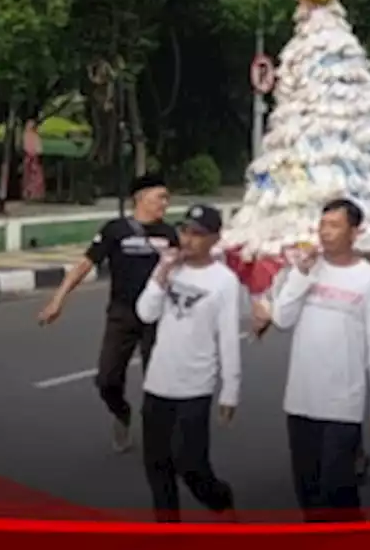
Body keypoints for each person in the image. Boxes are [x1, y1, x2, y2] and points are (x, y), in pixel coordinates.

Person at [261, 199, 370, 522]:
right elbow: (282, 318)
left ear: (355, 232)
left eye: (334, 226)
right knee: (307, 487)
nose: (325, 232)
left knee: (338, 486)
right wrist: (301, 274)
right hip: (301, 398)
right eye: (322, 225)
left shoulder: (369, 279)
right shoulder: (307, 269)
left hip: (341, 401)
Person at [37, 173, 177, 452]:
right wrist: (58, 300)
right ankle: (121, 412)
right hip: (122, 315)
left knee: (159, 380)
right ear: (141, 198)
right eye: (160, 197)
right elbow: (83, 266)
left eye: (166, 198)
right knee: (107, 379)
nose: (165, 203)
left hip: (159, 318)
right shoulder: (115, 230)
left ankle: (160, 434)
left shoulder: (170, 234)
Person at [134, 205, 239, 522]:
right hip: (158, 382)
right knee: (157, 465)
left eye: (197, 234)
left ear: (215, 239)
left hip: (195, 386)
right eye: (184, 232)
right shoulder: (170, 269)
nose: (188, 240)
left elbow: (229, 337)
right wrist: (161, 272)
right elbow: (145, 313)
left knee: (190, 464)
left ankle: (221, 499)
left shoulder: (224, 280)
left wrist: (230, 390)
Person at [22, 119, 45, 202]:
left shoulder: (26, 135)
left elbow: (26, 148)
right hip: (33, 158)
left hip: (29, 158)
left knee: (29, 177)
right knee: (34, 176)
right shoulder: (34, 136)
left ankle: (30, 194)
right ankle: (34, 194)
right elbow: (38, 149)